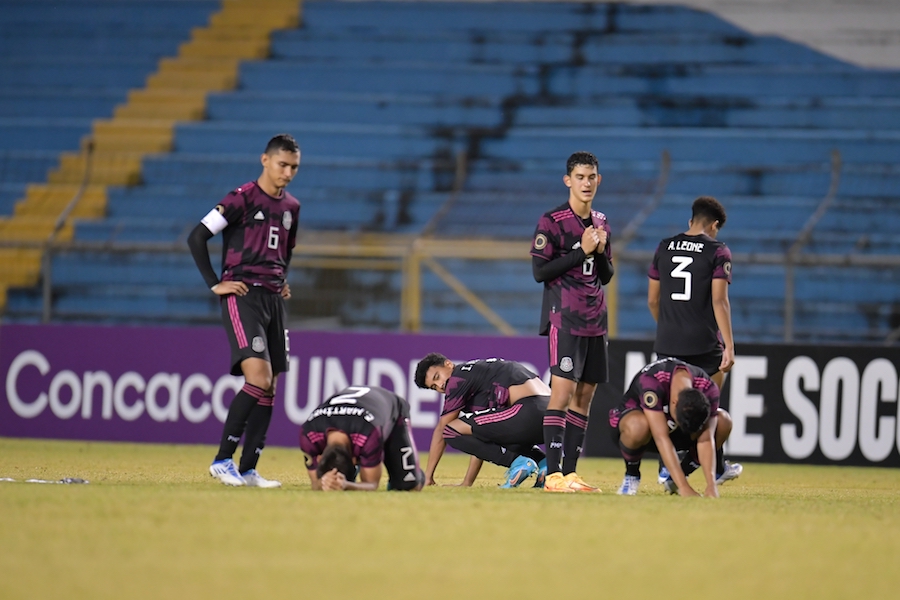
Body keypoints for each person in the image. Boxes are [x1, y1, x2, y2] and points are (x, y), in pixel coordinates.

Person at [187, 133, 301, 488]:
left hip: (272, 299)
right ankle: (222, 460)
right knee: (259, 379)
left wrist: (281, 277)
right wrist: (214, 283)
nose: (288, 172)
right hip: (243, 295)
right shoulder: (241, 198)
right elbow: (197, 237)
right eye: (282, 164)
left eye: (294, 167)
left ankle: (249, 469)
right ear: (265, 160)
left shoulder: (291, 208)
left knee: (271, 389)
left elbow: (286, 248)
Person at [530, 151, 614, 493]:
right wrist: (581, 250)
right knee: (561, 393)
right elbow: (540, 272)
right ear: (568, 180)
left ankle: (570, 473)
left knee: (585, 396)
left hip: (596, 319)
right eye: (580, 177)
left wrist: (601, 249)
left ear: (599, 180)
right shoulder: (551, 221)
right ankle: (552, 475)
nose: (586, 183)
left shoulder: (602, 221)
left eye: (592, 177)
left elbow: (606, 275)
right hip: (564, 318)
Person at [647, 196, 740, 487]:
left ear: (690, 221)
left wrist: (669, 327)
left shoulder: (664, 246)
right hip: (703, 345)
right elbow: (719, 301)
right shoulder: (718, 250)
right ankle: (687, 467)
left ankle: (674, 468)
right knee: (708, 410)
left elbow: (652, 299)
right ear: (713, 226)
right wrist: (729, 345)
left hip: (668, 343)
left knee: (671, 410)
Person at [608, 357, 743, 496]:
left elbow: (706, 439)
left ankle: (676, 477)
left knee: (723, 421)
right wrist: (684, 488)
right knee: (639, 426)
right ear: (674, 402)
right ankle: (632, 475)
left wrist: (711, 485)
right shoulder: (653, 380)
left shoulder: (708, 388)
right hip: (638, 431)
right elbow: (661, 438)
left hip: (672, 435)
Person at [414, 353, 549, 488]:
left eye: (437, 377)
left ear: (448, 364)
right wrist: (467, 482)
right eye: (434, 387)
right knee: (489, 432)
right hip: (551, 418)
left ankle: (519, 463)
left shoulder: (458, 378)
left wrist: (428, 476)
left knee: (450, 430)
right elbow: (482, 437)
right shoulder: (481, 374)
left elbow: (442, 428)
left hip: (528, 410)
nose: (440, 385)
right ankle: (544, 464)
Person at [299, 385, 424, 492]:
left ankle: (416, 473)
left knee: (408, 486)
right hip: (365, 413)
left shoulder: (368, 434)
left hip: (392, 409)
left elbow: (372, 484)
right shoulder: (308, 433)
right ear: (319, 457)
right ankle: (366, 460)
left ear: (355, 460)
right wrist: (323, 483)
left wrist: (346, 485)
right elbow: (315, 482)